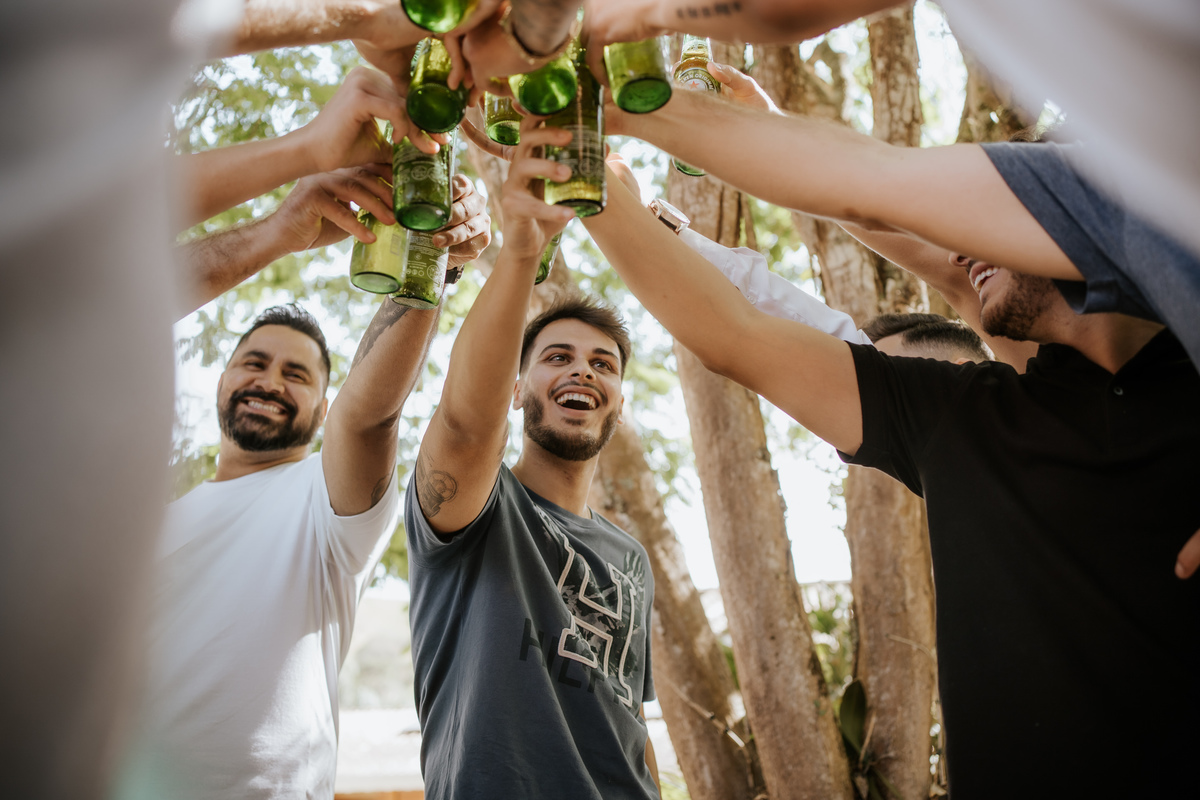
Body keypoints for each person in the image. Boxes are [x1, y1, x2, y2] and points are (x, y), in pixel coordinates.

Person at [582, 154, 1200, 796]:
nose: (964, 251)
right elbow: (743, 327)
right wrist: (597, 174)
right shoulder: (959, 420)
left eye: (997, 221)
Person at [133, 181, 488, 799]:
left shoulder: (323, 497)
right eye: (254, 363)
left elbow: (370, 413)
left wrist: (435, 260)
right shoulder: (153, 520)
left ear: (323, 409)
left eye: (296, 374)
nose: (269, 382)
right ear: (220, 382)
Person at [405, 114, 660, 799]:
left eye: (602, 363)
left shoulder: (630, 557)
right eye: (557, 357)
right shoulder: (476, 510)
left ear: (619, 400)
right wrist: (520, 250)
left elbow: (628, 718)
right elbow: (463, 423)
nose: (583, 371)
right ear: (517, 390)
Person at [580, 0, 1200, 264]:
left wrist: (644, 14)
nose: (970, 259)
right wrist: (614, 106)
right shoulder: (1120, 207)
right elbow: (867, 184)